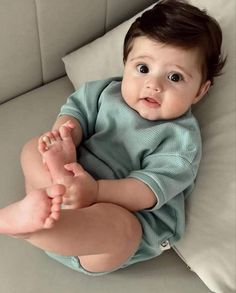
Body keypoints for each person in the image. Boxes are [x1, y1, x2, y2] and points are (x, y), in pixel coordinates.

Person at [0, 0, 226, 275]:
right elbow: (75, 112)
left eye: (175, 77)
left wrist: (95, 192)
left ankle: (29, 230)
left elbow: (147, 191)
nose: (153, 85)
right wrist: (65, 139)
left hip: (102, 235)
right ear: (125, 63)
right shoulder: (106, 92)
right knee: (32, 149)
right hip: (64, 190)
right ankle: (42, 204)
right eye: (143, 69)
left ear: (200, 91)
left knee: (124, 230)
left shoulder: (181, 139)